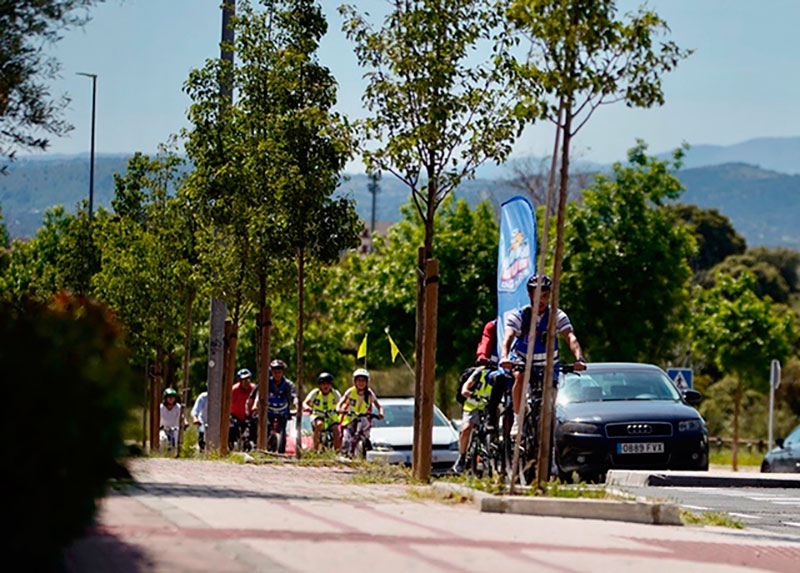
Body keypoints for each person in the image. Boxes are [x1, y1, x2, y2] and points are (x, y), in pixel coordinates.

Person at [499, 274, 586, 435]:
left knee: (550, 405)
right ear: (530, 295)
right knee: (520, 375)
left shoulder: (557, 316)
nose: (542, 300)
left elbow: (570, 337)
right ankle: (518, 420)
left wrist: (579, 358)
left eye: (545, 296)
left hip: (548, 365)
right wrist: (504, 357)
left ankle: (549, 447)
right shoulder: (519, 316)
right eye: (538, 295)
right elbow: (507, 338)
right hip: (523, 360)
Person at [451, 364, 507, 473]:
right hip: (473, 405)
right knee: (466, 429)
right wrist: (472, 394)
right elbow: (464, 390)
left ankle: (494, 450)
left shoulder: (500, 376)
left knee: (494, 429)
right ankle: (462, 457)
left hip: (488, 407)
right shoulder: (479, 373)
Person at [251, 359, 297, 453]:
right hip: (269, 410)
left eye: (279, 372)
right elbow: (259, 394)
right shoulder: (266, 383)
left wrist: (297, 405)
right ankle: (263, 447)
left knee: (282, 431)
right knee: (265, 427)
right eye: (275, 372)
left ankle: (281, 451)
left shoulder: (288, 384)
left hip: (282, 411)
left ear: (283, 373)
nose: (277, 374)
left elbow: (294, 397)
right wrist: (256, 405)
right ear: (271, 372)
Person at [336, 368, 384, 457]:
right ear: (354, 382)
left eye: (363, 381)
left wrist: (381, 413)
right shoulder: (350, 391)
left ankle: (365, 443)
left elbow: (379, 406)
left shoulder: (369, 393)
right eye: (359, 380)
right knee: (347, 437)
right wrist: (339, 408)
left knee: (365, 427)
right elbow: (341, 402)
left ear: (367, 382)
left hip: (363, 417)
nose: (361, 383)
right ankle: (344, 454)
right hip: (350, 417)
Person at [302, 372, 342, 451]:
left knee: (336, 430)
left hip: (331, 417)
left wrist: (340, 409)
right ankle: (315, 449)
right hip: (318, 416)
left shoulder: (335, 393)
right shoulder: (316, 393)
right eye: (323, 384)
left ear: (331, 385)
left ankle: (337, 452)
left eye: (328, 384)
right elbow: (305, 403)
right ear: (320, 385)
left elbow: (341, 403)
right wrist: (307, 407)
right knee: (319, 425)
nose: (325, 386)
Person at [229, 368, 256, 450]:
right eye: (243, 380)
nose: (246, 382)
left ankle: (254, 446)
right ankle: (231, 446)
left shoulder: (254, 389)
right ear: (239, 380)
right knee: (232, 428)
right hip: (236, 416)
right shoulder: (234, 390)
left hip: (251, 416)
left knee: (255, 428)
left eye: (248, 379)